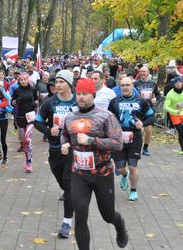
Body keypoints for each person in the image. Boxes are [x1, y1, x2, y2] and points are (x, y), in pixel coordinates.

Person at [61, 78, 128, 250]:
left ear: (94, 95)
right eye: (79, 93)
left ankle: (119, 225)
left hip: (102, 173)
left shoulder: (106, 116)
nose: (81, 97)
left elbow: (117, 143)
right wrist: (65, 144)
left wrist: (91, 140)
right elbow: (65, 135)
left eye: (85, 94)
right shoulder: (70, 116)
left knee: (108, 215)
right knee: (80, 215)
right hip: (79, 173)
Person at [35, 70, 76, 238]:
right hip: (55, 149)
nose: (57, 85)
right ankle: (68, 191)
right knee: (59, 177)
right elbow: (37, 122)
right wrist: (48, 130)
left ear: (69, 84)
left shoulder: (79, 101)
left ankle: (67, 222)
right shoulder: (49, 102)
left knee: (68, 182)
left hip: (74, 149)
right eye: (56, 82)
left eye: (61, 82)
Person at [108, 77, 155, 201]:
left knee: (133, 166)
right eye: (122, 85)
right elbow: (109, 118)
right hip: (118, 138)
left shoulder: (141, 101)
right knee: (120, 168)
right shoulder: (114, 101)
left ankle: (133, 191)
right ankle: (124, 174)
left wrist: (143, 124)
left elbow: (151, 117)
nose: (125, 87)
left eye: (127, 85)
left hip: (135, 137)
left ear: (132, 85)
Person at [11, 72, 38, 172]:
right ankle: (28, 160)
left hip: (30, 117)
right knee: (24, 142)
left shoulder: (33, 89)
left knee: (28, 140)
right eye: (21, 80)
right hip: (20, 117)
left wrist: (35, 104)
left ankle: (29, 162)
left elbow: (36, 100)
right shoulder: (17, 90)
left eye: (24, 79)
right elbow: (12, 103)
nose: (23, 81)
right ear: (19, 81)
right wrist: (16, 101)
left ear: (28, 80)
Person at [134, 66, 160, 156]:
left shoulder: (153, 83)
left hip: (149, 110)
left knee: (148, 130)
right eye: (141, 71)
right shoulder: (135, 83)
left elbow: (158, 94)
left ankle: (145, 148)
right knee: (138, 130)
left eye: (144, 71)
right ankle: (136, 147)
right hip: (138, 110)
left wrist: (155, 98)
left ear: (148, 72)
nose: (142, 73)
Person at [164, 76, 183, 154]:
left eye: (180, 82)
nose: (178, 84)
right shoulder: (170, 94)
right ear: (174, 84)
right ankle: (182, 149)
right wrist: (175, 111)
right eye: (176, 82)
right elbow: (165, 107)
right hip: (174, 115)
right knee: (181, 132)